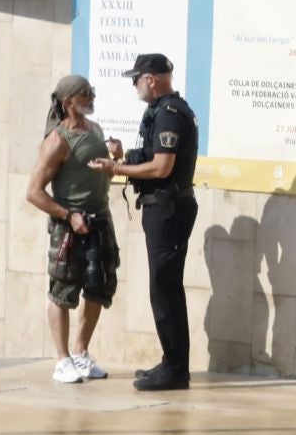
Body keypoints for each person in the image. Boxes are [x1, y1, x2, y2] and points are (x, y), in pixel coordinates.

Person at [90, 52, 199, 392]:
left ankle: (177, 369)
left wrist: (116, 169)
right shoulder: (163, 111)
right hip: (163, 209)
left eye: (136, 79)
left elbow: (162, 168)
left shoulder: (169, 114)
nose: (134, 85)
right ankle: (171, 361)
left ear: (151, 79)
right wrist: (124, 156)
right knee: (162, 288)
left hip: (169, 211)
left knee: (164, 289)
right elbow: (153, 159)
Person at [26, 74, 117, 385]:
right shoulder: (56, 141)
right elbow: (34, 192)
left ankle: (80, 352)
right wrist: (68, 216)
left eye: (90, 91)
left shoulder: (96, 130)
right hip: (69, 226)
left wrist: (115, 158)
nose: (91, 96)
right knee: (62, 291)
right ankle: (62, 359)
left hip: (100, 219)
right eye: (85, 93)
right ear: (68, 102)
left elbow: (101, 175)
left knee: (99, 286)